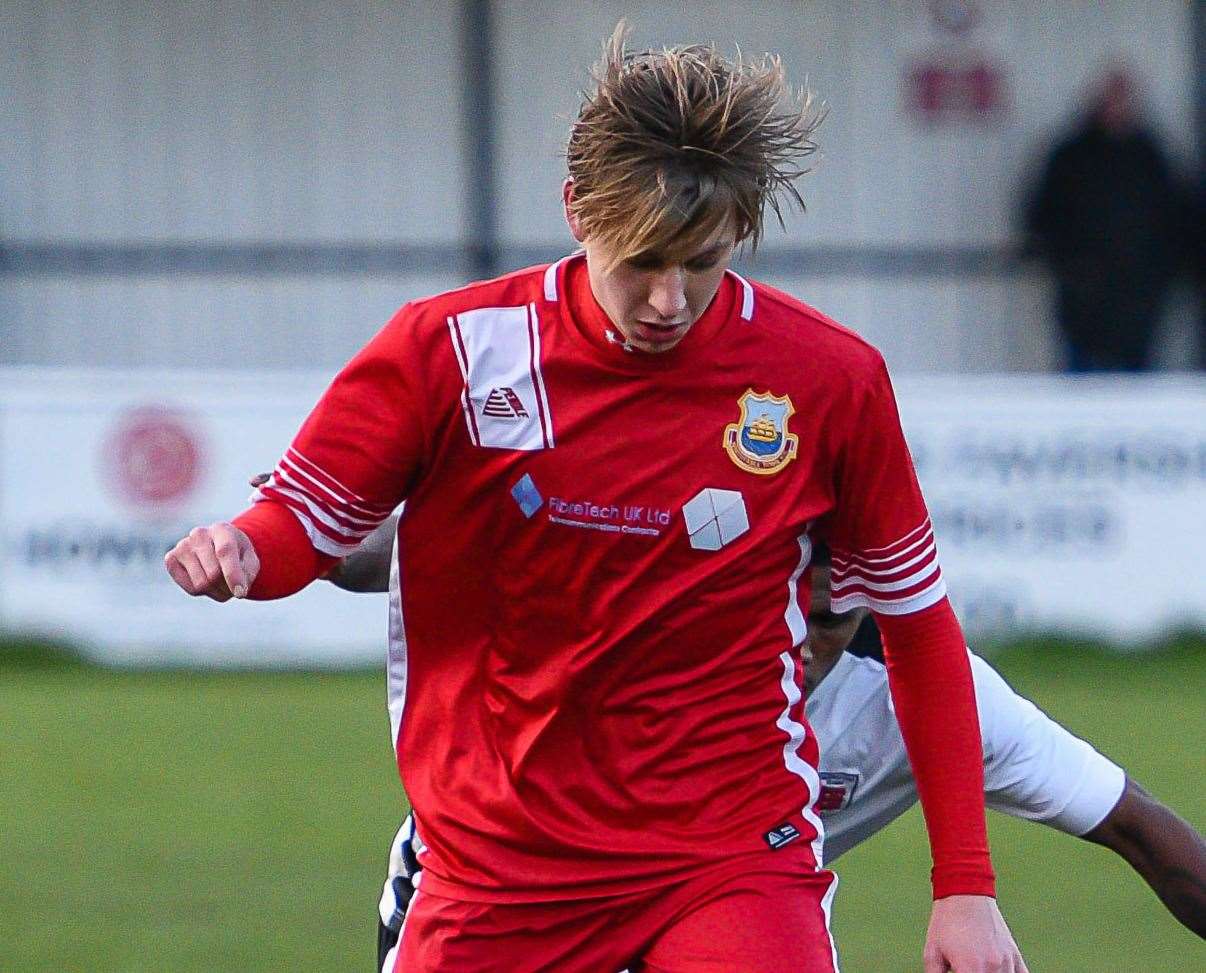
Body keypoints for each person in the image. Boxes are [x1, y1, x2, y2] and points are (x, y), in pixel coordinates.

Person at [167, 31, 1026, 972]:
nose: (669, 299)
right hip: (498, 868)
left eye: (701, 262)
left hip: (728, 859)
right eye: (642, 261)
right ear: (576, 210)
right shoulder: (448, 352)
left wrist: (966, 887)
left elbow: (917, 623)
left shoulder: (827, 379)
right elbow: (303, 522)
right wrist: (244, 552)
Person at [301, 523, 1205, 969]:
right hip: (505, 893)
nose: (801, 637)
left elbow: (1141, 830)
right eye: (780, 607)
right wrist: (314, 543)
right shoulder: (643, 622)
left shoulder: (929, 693)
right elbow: (461, 545)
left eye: (829, 616)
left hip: (706, 913)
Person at [1025, 65, 1186, 372]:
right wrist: (1072, 267)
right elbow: (1043, 217)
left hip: (1139, 303)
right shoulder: (1071, 157)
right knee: (1081, 395)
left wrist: (1161, 274)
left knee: (1138, 399)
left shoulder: (1150, 158)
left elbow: (1176, 221)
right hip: (1084, 302)